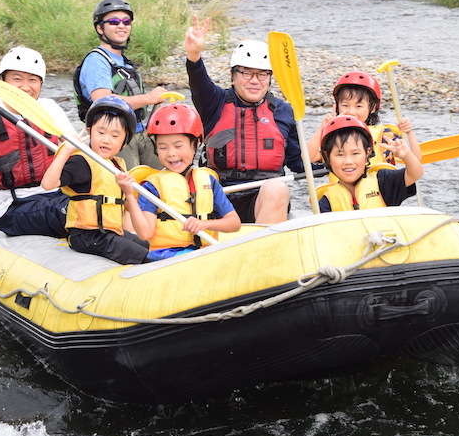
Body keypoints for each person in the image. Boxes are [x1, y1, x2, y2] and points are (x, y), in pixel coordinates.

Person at [184, 15, 308, 224]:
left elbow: (296, 162)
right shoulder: (214, 102)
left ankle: (263, 252)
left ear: (270, 78)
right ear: (233, 76)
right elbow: (198, 82)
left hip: (264, 197)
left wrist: (334, 158)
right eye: (247, 73)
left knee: (277, 188)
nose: (254, 81)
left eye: (262, 75)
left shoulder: (284, 111)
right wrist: (194, 56)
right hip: (220, 197)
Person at [0, 46, 75, 238]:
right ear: (2, 82)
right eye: (17, 79)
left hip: (56, 194)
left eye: (33, 80)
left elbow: (78, 150)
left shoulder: (49, 108)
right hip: (13, 207)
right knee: (76, 212)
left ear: (41, 84)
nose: (25, 87)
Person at [122, 103, 241, 261]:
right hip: (166, 256)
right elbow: (145, 233)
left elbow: (234, 223)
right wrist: (129, 195)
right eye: (163, 147)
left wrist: (204, 225)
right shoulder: (152, 187)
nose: (171, 154)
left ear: (196, 145)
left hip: (204, 251)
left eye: (178, 146)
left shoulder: (208, 181)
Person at [41, 96, 150, 263]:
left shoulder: (117, 165)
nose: (106, 140)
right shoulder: (82, 162)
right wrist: (66, 151)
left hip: (111, 232)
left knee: (148, 246)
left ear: (125, 143)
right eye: (100, 132)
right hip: (87, 235)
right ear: (90, 131)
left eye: (115, 136)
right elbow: (48, 184)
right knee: (144, 257)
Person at [73, 0, 166, 171]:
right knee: (131, 187)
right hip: (115, 137)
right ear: (100, 28)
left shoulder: (125, 62)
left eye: (126, 21)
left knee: (165, 177)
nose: (121, 26)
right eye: (114, 22)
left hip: (140, 133)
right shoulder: (96, 61)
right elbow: (103, 99)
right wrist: (148, 98)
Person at [307, 71, 422, 168]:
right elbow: (309, 158)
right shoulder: (333, 135)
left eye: (358, 106)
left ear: (372, 108)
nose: (351, 111)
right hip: (343, 194)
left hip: (379, 191)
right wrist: (322, 128)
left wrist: (409, 133)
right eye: (345, 105)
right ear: (337, 106)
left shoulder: (385, 135)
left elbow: (416, 160)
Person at [317, 115, 423, 212]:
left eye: (355, 153)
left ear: (367, 153)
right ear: (327, 157)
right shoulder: (326, 200)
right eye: (340, 154)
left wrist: (406, 155)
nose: (348, 161)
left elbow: (416, 174)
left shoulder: (384, 181)